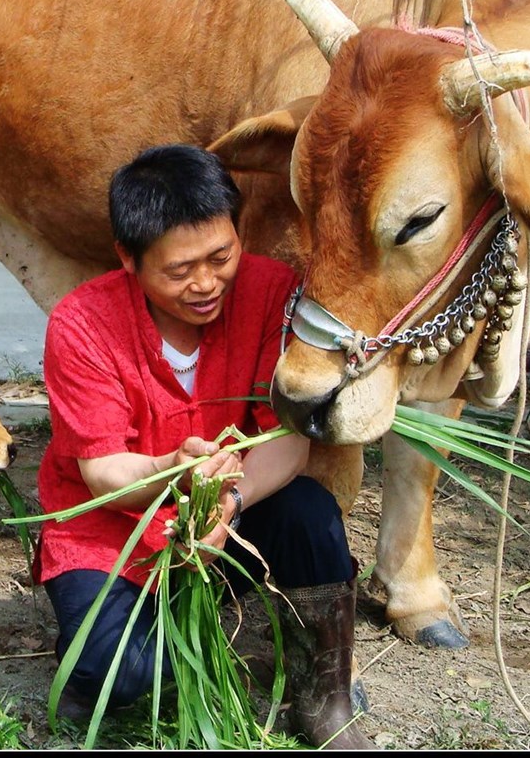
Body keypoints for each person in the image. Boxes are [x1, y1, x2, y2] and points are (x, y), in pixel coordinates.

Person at [33, 143, 374, 749]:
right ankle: (111, 643)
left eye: (221, 256)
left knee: (310, 514)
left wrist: (229, 504)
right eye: (179, 269)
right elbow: (105, 474)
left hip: (232, 513)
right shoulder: (81, 323)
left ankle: (327, 690)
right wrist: (171, 471)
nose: (206, 283)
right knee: (122, 675)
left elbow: (289, 443)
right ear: (127, 259)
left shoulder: (273, 293)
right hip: (116, 531)